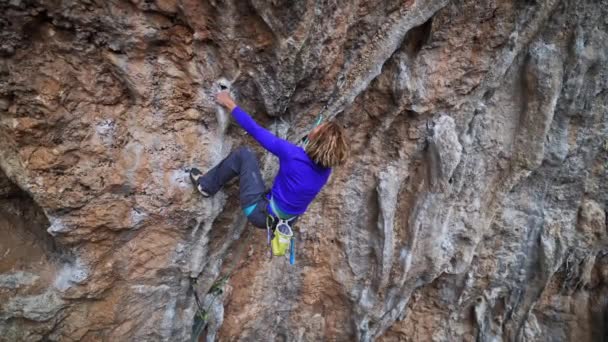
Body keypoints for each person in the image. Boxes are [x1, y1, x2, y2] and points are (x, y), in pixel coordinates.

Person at [189, 91, 348, 229]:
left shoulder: (292, 155)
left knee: (245, 154)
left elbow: (255, 130)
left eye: (318, 129)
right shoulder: (326, 170)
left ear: (316, 139)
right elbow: (308, 160)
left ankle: (206, 185)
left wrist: (229, 103)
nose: (314, 128)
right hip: (283, 222)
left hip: (259, 213)